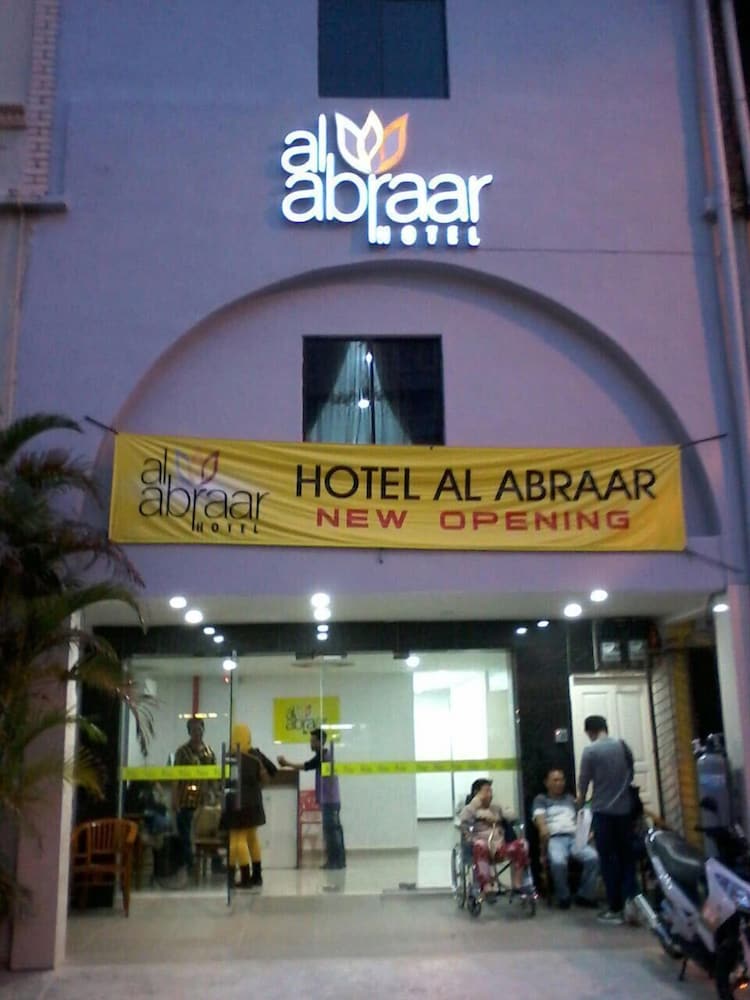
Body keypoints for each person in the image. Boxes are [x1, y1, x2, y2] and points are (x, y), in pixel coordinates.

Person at [577, 715, 638, 925]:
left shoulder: (590, 751)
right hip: (625, 812)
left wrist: (581, 801)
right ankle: (631, 901)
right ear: (605, 728)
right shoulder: (623, 746)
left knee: (608, 860)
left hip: (603, 813)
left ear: (590, 731)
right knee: (627, 858)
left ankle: (615, 907)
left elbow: (584, 781)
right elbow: (631, 774)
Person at [277, 727, 346, 870]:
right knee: (334, 831)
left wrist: (287, 763)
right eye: (311, 741)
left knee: (332, 832)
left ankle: (335, 862)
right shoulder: (324, 755)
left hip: (330, 800)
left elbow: (307, 766)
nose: (311, 744)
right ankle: (338, 861)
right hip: (331, 799)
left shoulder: (323, 757)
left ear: (321, 742)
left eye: (313, 741)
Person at [532, 767, 599, 909]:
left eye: (562, 780)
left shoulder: (569, 799)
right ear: (547, 783)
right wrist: (543, 831)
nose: (559, 783)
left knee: (593, 858)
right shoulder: (541, 800)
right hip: (554, 838)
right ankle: (564, 897)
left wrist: (587, 832)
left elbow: (582, 817)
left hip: (574, 838)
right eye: (555, 780)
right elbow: (540, 820)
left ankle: (585, 895)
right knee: (558, 862)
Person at [223, 722, 277, 888]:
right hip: (254, 803)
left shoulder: (230, 757)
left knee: (237, 840)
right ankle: (257, 876)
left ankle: (243, 878)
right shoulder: (256, 754)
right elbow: (273, 770)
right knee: (252, 839)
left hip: (236, 804)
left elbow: (226, 782)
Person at [458, 778, 531, 895]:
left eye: (491, 791)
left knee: (522, 844)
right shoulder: (469, 809)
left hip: (499, 848)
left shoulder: (496, 808)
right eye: (486, 791)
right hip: (480, 849)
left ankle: (518, 883)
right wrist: (475, 805)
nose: (490, 794)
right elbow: (461, 821)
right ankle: (486, 886)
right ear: (477, 793)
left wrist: (500, 816)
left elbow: (513, 816)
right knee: (480, 844)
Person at [172, 716, 217, 873]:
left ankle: (216, 864)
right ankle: (189, 864)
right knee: (184, 833)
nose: (197, 732)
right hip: (185, 798)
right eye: (193, 730)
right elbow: (175, 776)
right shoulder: (182, 752)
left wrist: (215, 796)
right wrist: (175, 798)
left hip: (204, 800)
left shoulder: (209, 752)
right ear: (189, 732)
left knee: (209, 833)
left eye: (199, 729)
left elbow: (213, 778)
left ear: (203, 730)